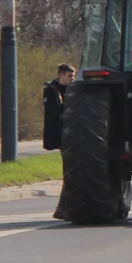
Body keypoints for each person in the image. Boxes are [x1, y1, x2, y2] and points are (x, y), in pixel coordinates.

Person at [43, 63, 76, 220]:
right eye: (70, 75)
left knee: (70, 172)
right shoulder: (51, 90)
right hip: (60, 134)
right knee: (69, 172)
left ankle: (63, 208)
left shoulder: (73, 89)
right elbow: (52, 111)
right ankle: (64, 208)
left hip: (69, 134)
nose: (73, 78)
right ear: (62, 75)